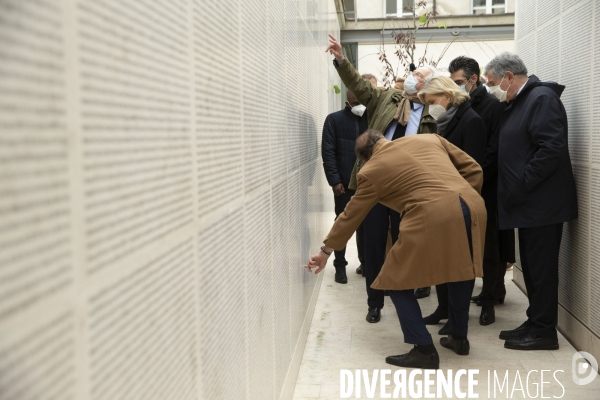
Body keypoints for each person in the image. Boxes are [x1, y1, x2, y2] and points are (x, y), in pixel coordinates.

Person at [305, 130, 487, 369]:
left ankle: (424, 349)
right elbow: (474, 169)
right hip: (472, 206)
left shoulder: (371, 171)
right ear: (382, 138)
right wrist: (460, 202)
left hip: (431, 215)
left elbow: (350, 215)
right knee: (461, 270)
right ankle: (459, 338)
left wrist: (325, 251)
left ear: (365, 157)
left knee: (393, 280)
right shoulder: (429, 138)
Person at [325, 35, 439, 314]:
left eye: (420, 76)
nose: (413, 77)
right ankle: (374, 303)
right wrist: (342, 59)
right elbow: (360, 87)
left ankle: (404, 297)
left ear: (430, 85)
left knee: (405, 244)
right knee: (374, 245)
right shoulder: (389, 97)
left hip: (406, 190)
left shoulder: (431, 114)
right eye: (413, 73)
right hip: (376, 182)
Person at [484, 52, 578, 350]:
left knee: (542, 270)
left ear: (509, 77)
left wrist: (523, 182)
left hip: (541, 204)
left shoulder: (540, 99)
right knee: (534, 271)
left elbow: (550, 149)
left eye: (493, 82)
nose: (491, 88)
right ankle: (535, 321)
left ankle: (543, 332)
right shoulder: (519, 102)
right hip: (527, 205)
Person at [416, 76, 487, 334]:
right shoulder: (442, 122)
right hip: (442, 202)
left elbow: (475, 167)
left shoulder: (471, 120)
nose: (431, 108)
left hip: (460, 204)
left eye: (433, 101)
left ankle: (458, 324)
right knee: (441, 261)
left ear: (446, 96)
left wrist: (461, 197)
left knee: (458, 266)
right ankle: (444, 309)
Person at [448, 56, 508, 326]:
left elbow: (495, 150)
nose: (456, 87)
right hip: (460, 187)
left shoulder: (493, 106)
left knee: (488, 246)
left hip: (486, 186)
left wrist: (475, 179)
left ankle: (488, 301)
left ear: (473, 79)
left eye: (459, 82)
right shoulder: (461, 104)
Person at [321, 89, 369, 284]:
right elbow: (328, 151)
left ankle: (365, 263)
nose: (358, 96)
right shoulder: (334, 120)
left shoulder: (373, 119)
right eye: (355, 91)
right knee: (342, 224)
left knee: (367, 226)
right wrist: (335, 181)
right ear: (347, 94)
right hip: (344, 185)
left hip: (367, 184)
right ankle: (339, 266)